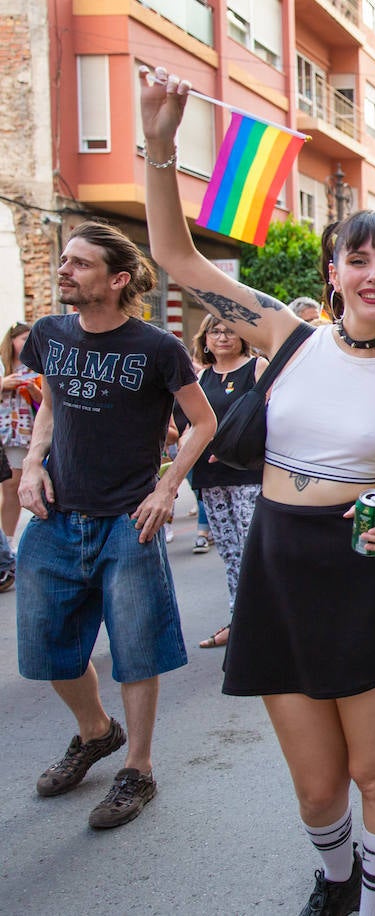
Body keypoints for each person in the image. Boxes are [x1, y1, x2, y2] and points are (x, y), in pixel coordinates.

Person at [142, 66, 375, 915]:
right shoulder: (289, 336)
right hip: (278, 564)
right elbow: (173, 254)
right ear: (334, 271)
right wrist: (160, 144)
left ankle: (372, 908)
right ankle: (337, 881)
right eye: (360, 257)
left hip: (362, 567)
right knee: (317, 789)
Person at [16, 220, 216, 829]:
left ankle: (138, 768)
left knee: (136, 648)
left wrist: (165, 489)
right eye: (66, 260)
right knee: (46, 646)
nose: (64, 270)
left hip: (129, 519)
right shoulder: (49, 334)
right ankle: (96, 731)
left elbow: (202, 423)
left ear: (117, 278)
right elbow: (49, 404)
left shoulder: (158, 347)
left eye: (79, 263)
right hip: (55, 515)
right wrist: (31, 465)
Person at [180, 314, 266, 649]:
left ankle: (262, 623)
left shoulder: (257, 368)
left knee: (252, 551)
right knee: (230, 552)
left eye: (230, 330)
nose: (222, 336)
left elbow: (270, 418)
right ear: (205, 339)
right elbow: (191, 425)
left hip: (248, 474)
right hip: (211, 477)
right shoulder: (201, 377)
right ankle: (239, 621)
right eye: (215, 331)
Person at [1, 320, 41, 552]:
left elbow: (45, 404)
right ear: (12, 340)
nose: (27, 344)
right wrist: (4, 384)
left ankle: (7, 541)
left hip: (21, 433)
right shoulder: (3, 366)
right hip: (3, 430)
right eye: (23, 339)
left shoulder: (34, 366)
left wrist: (34, 392)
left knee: (11, 484)